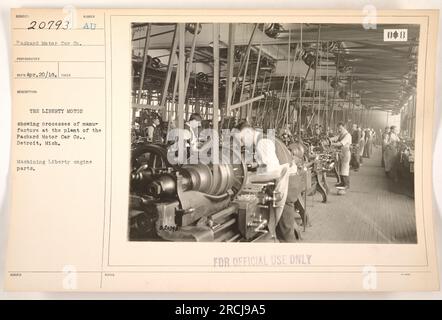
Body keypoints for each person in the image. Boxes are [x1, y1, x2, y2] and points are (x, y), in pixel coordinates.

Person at [235, 122, 298, 242]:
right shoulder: (266, 138)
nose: (242, 144)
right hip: (291, 181)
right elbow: (275, 164)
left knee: (284, 232)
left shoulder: (262, 143)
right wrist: (257, 166)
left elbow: (275, 173)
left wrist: (249, 178)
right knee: (285, 228)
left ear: (248, 132)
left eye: (242, 139)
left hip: (285, 186)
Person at [330, 122, 352, 189]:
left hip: (346, 153)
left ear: (344, 127)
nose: (339, 130)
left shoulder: (347, 135)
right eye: (338, 128)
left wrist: (331, 144)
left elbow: (341, 144)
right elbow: (336, 138)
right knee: (341, 168)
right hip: (342, 153)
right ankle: (342, 182)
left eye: (340, 128)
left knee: (345, 169)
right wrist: (329, 139)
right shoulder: (342, 134)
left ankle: (346, 184)